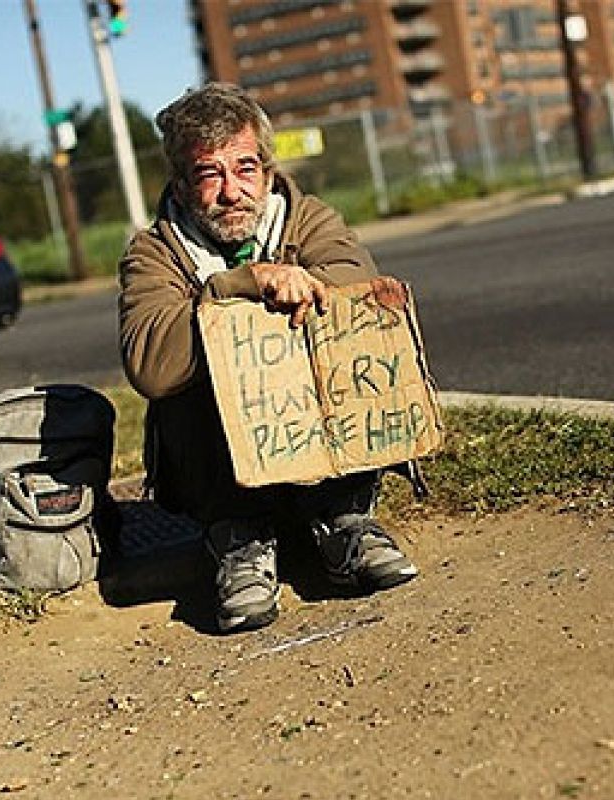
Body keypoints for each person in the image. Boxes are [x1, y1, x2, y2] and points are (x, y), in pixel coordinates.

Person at [119, 82, 418, 634]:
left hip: (324, 460)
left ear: (269, 170)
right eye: (210, 174)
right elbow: (150, 366)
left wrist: (300, 285)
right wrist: (237, 287)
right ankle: (238, 542)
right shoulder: (153, 252)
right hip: (219, 476)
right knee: (197, 357)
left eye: (246, 168)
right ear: (182, 187)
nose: (232, 191)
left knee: (349, 328)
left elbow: (357, 288)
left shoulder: (309, 218)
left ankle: (344, 519)